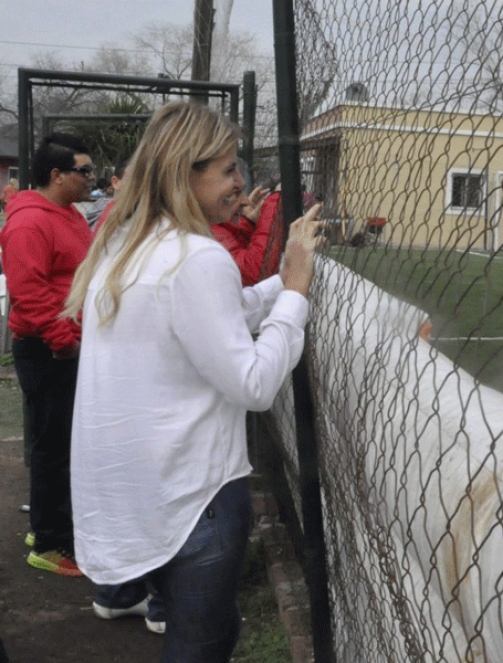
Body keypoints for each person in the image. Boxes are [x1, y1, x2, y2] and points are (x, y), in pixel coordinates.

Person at [66, 101, 322, 662]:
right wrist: (297, 292)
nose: (240, 183)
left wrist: (278, 282)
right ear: (187, 173)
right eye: (228, 169)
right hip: (192, 498)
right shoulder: (197, 257)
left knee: (200, 636)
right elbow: (253, 384)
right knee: (203, 646)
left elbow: (210, 320)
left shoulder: (125, 243)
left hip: (140, 492)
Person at [0, 134, 95, 576]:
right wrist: (64, 340)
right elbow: (28, 294)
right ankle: (51, 544)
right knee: (52, 445)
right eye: (84, 171)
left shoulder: (68, 213)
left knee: (57, 441)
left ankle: (47, 526)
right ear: (57, 176)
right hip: (47, 350)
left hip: (63, 345)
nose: (91, 178)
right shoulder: (28, 223)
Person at [210, 175, 284, 287]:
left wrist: (249, 223)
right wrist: (275, 203)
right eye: (234, 193)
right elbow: (256, 273)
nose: (246, 201)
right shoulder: (207, 233)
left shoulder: (210, 227)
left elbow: (234, 248)